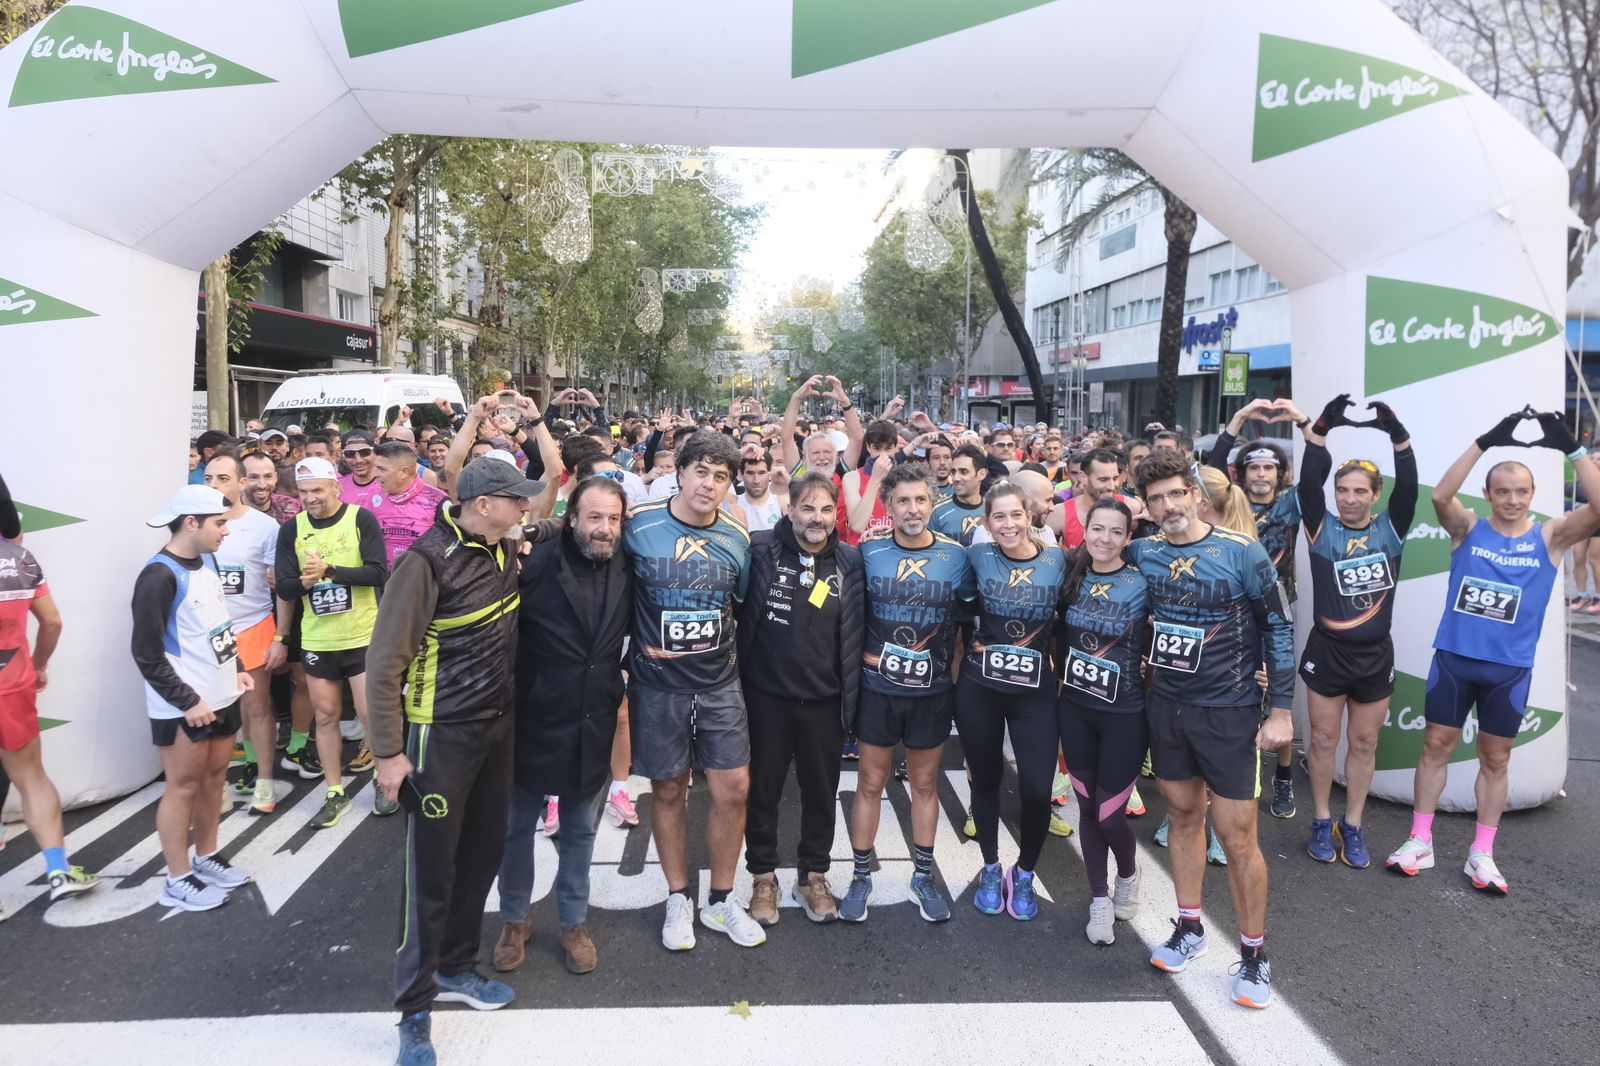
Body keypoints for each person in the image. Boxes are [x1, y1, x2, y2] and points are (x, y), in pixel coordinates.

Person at [367, 457, 541, 1066]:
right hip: (436, 738)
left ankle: (458, 970)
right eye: (516, 499)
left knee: (481, 857)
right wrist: (388, 753)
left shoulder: (502, 545)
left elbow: (542, 521)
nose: (526, 507)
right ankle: (413, 1012)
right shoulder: (424, 562)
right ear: (484, 503)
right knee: (429, 878)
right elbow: (383, 665)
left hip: (497, 733)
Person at [1385, 407, 1600, 893]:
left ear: (1532, 495)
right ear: (1486, 495)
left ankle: (1481, 852)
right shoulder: (1468, 528)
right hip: (1455, 661)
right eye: (1501, 491)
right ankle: (1420, 839)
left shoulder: (1551, 535)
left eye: (1520, 491)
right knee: (1435, 746)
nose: (1510, 499)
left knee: (1496, 759)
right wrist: (1485, 440)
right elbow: (1440, 495)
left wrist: (1572, 447)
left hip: (1508, 670)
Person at [1128, 451, 1294, 1009]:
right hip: (1167, 710)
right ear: (1145, 507)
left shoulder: (1242, 552)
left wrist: (1283, 711)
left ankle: (1253, 956)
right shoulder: (1142, 553)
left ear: (1197, 493)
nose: (1169, 506)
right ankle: (1190, 927)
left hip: (1229, 713)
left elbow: (1279, 627)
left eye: (1177, 493)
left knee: (1238, 834)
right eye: (1157, 499)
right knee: (1180, 816)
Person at [623, 431, 763, 949]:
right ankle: (678, 896)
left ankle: (723, 900)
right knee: (667, 790)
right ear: (678, 473)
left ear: (730, 484)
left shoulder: (735, 534)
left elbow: (742, 605)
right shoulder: (639, 526)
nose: (709, 483)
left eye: (721, 476)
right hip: (657, 686)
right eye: (700, 471)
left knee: (733, 788)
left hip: (719, 682)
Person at [493, 473, 630, 976]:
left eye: (613, 519)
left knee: (579, 833)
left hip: (592, 718)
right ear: (572, 518)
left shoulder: (627, 561)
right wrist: (538, 531)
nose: (604, 529)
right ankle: (514, 919)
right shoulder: (535, 560)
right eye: (594, 517)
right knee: (513, 829)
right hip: (531, 716)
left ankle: (573, 922)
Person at [841, 463, 975, 925]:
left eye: (920, 500)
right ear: (889, 506)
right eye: (903, 501)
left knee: (923, 784)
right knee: (871, 784)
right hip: (878, 689)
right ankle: (861, 875)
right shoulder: (869, 551)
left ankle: (923, 875)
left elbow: (968, 622)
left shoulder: (957, 556)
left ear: (932, 503)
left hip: (932, 691)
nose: (912, 509)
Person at [1292, 396, 1418, 868]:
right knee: (1323, 741)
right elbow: (1308, 482)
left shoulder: (1392, 528)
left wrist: (1397, 434)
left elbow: (1410, 484)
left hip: (1374, 656)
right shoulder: (1320, 526)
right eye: (1342, 489)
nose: (1348, 498)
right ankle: (1323, 819)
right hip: (1328, 651)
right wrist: (1321, 429)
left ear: (1374, 494)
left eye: (1359, 491)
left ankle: (1355, 825)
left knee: (1364, 743)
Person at [738, 471, 864, 926]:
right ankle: (763, 877)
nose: (817, 518)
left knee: (820, 791)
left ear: (836, 514)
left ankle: (813, 874)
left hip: (827, 701)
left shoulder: (851, 562)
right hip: (766, 697)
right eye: (807, 508)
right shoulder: (759, 550)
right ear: (789, 509)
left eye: (826, 509)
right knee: (764, 790)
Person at [131, 485, 256, 912]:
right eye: (219, 524)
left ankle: (206, 856)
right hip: (185, 706)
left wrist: (237, 667)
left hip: (221, 695)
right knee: (181, 788)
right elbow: (146, 653)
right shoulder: (158, 575)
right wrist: (187, 701)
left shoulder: (208, 561)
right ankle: (177, 876)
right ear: (191, 523)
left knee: (214, 781)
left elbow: (218, 625)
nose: (226, 531)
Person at [959, 481, 1065, 921]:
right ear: (986, 523)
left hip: (1034, 692)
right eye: (998, 517)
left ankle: (1024, 872)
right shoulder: (976, 555)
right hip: (980, 687)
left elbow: (1069, 619)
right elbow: (958, 608)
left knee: (1038, 790)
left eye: (1015, 515)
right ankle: (989, 866)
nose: (1008, 524)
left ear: (1030, 516)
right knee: (985, 781)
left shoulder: (1058, 560)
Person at [272, 456, 389, 828]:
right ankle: (334, 791)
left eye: (317, 491)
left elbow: (377, 572)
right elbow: (286, 588)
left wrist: (330, 571)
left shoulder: (360, 519)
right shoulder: (291, 530)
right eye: (304, 492)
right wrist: (307, 582)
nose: (310, 499)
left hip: (362, 634)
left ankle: (384, 781)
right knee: (326, 717)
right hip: (319, 639)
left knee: (372, 715)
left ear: (336, 487)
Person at [1208, 398, 1306, 819]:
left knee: (1277, 695)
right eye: (1254, 467)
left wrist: (1302, 422)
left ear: (1279, 473)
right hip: (1229, 611)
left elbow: (1319, 468)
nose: (1262, 474)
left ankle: (1282, 779)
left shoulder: (1290, 504)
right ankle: (1223, 781)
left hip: (1275, 612)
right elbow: (1208, 469)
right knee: (1230, 694)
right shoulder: (1229, 504)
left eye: (1269, 468)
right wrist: (1240, 419)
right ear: (1243, 473)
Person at [1058, 498, 1149, 944]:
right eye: (1098, 529)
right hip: (1075, 710)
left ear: (1128, 538)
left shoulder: (1141, 581)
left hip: (1126, 714)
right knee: (1087, 810)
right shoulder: (1070, 573)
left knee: (1110, 815)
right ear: (1085, 530)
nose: (1105, 539)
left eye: (1116, 532)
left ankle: (1128, 875)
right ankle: (1099, 899)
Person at [0, 528, 99, 904]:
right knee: (31, 778)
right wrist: (39, 665)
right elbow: (52, 622)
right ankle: (58, 870)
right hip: (11, 683)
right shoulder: (19, 557)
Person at [202, 455, 283, 816]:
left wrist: (282, 635)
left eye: (222, 478)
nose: (214, 485)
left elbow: (278, 583)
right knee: (214, 712)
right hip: (208, 632)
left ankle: (264, 779)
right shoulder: (195, 525)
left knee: (257, 707)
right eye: (208, 478)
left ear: (241, 483)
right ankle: (216, 784)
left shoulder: (265, 527)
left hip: (253, 625)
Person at [370, 441, 450, 565]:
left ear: (404, 472)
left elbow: (449, 551)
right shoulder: (372, 498)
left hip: (422, 580)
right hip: (382, 581)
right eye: (374, 467)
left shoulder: (438, 501)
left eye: (381, 469)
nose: (374, 474)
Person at [842, 422, 899, 541]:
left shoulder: (905, 477)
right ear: (868, 447)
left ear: (896, 448)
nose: (883, 455)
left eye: (888, 448)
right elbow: (858, 526)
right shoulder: (852, 477)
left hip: (893, 551)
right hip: (860, 549)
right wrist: (875, 479)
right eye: (877, 448)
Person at [929, 443, 988, 546]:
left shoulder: (992, 510)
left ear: (981, 474)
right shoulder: (937, 512)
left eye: (963, 472)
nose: (955, 478)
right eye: (953, 472)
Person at [736, 452, 787, 533]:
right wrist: (740, 452)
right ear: (741, 475)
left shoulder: (781, 501)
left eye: (761, 473)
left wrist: (788, 482)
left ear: (770, 474)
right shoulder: (732, 503)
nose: (756, 480)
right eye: (750, 473)